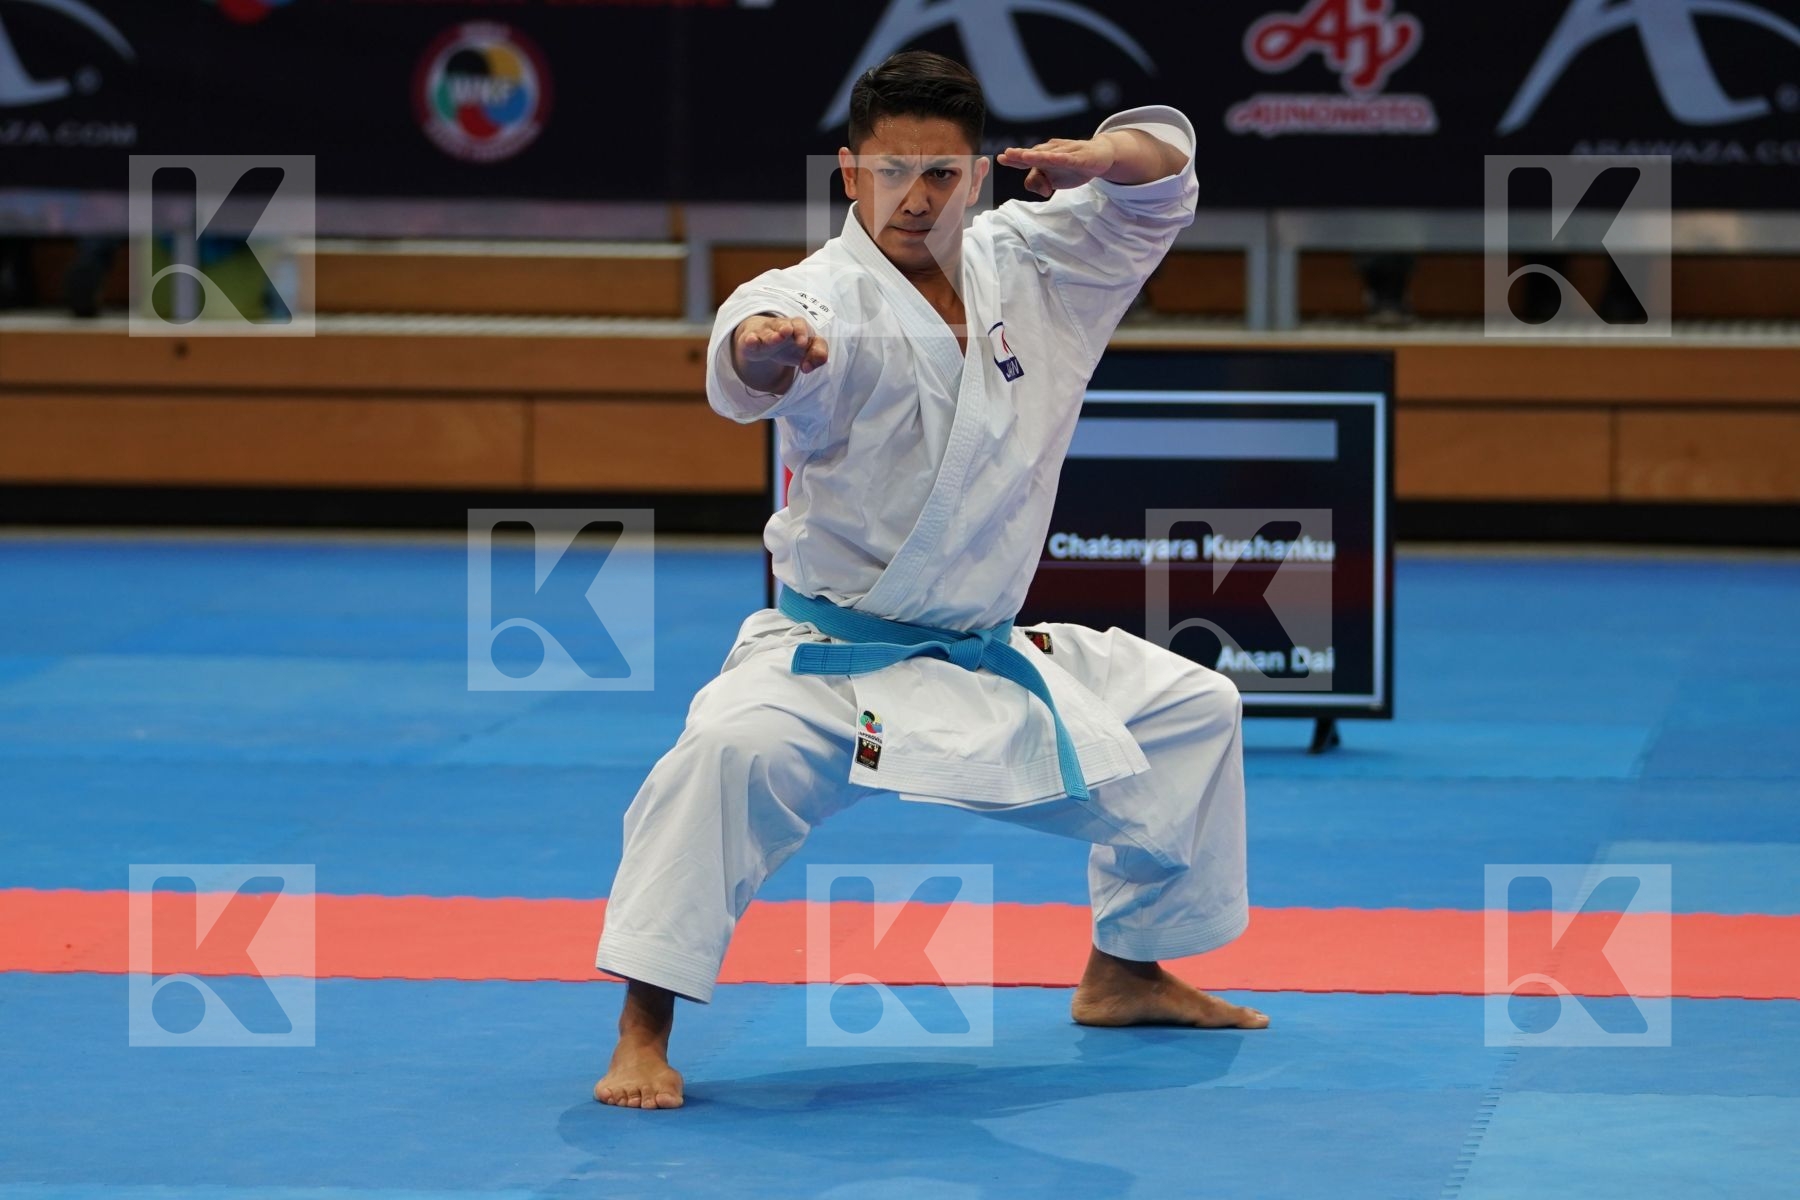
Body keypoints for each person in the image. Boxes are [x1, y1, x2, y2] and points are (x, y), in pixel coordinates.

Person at [593, 50, 1267, 1112]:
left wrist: (1100, 154)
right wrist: (770, 354)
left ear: (980, 175)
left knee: (1197, 709)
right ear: (851, 170)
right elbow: (742, 350)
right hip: (830, 661)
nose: (917, 196)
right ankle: (642, 1032)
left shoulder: (1040, 265)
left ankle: (1127, 971)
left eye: (943, 174)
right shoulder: (817, 296)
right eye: (893, 170)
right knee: (720, 756)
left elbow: (1164, 175)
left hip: (984, 651)